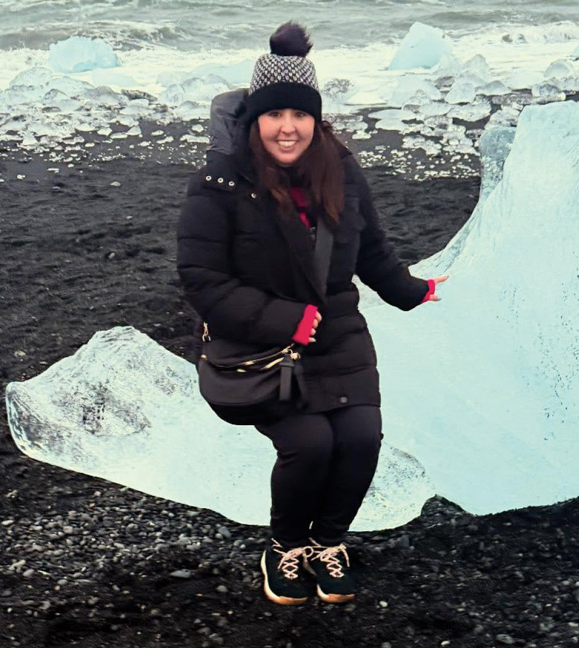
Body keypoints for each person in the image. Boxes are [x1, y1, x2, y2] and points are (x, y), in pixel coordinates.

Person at [176, 22, 446, 606]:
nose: (288, 127)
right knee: (310, 445)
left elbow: (370, 247)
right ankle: (285, 548)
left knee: (360, 438)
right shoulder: (219, 184)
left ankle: (328, 543)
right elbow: (201, 279)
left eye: (300, 115)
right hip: (254, 346)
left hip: (337, 332)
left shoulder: (342, 171)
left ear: (316, 120)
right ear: (255, 120)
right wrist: (280, 318)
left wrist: (410, 290)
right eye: (275, 115)